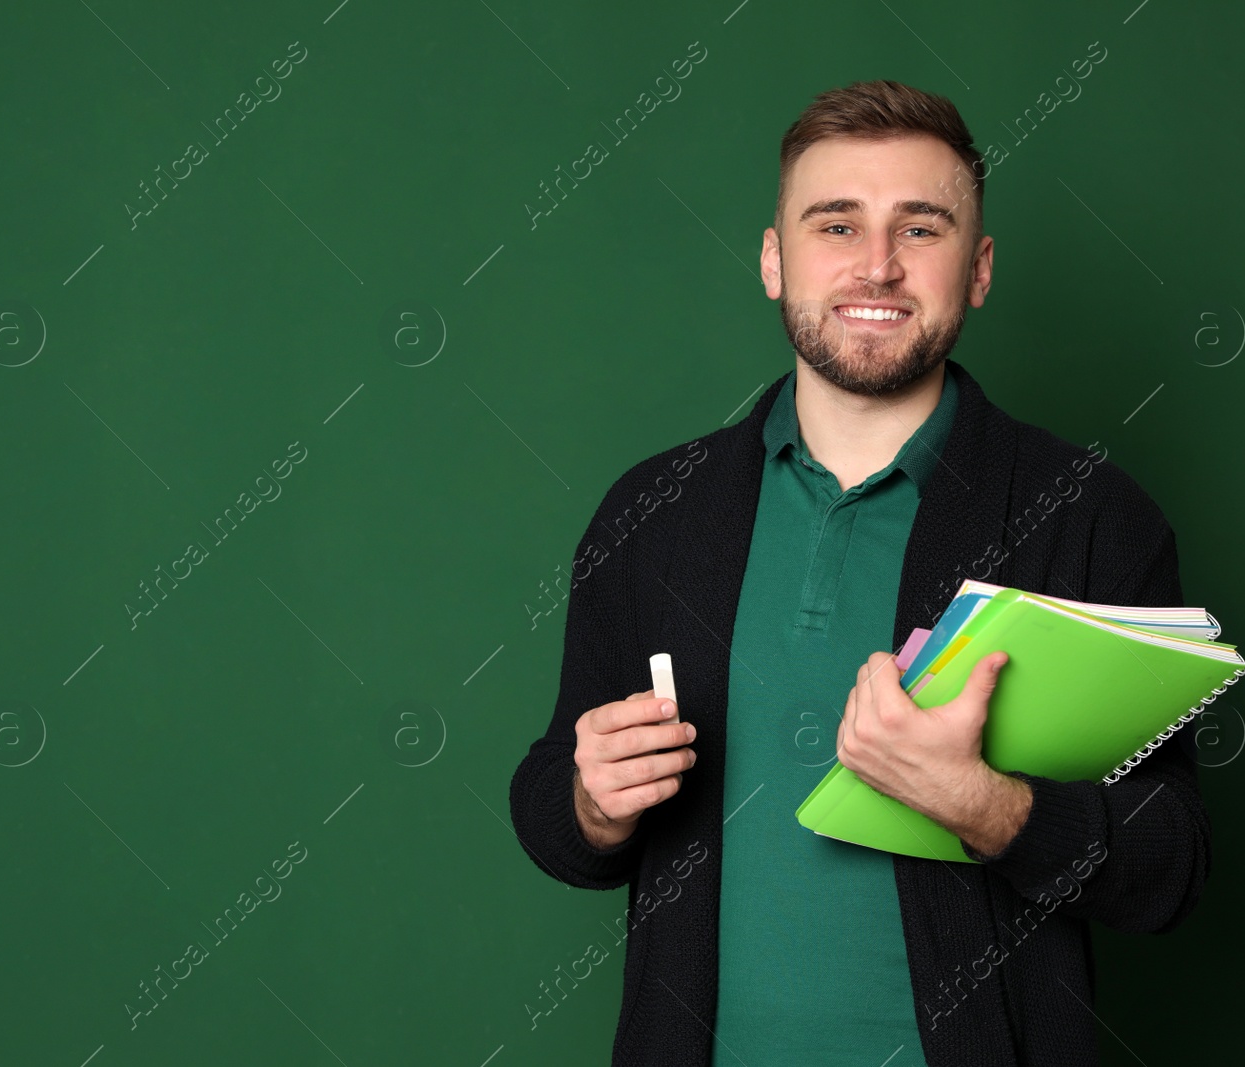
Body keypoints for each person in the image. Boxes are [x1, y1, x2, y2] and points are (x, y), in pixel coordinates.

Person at [509, 79, 1208, 1067]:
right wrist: (591, 801)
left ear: (978, 268)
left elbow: (1170, 864)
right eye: (835, 225)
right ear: (772, 259)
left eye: (920, 229)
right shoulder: (651, 513)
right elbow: (551, 803)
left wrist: (992, 808)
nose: (876, 264)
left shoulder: (1089, 513)